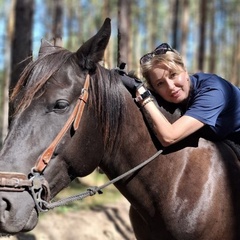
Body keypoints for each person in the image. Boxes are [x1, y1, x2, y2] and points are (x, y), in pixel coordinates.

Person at [119, 43, 240, 147]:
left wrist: (145, 97)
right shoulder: (173, 96)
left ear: (185, 70)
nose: (171, 86)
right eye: (160, 83)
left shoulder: (213, 91)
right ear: (154, 88)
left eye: (173, 75)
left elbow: (169, 137)